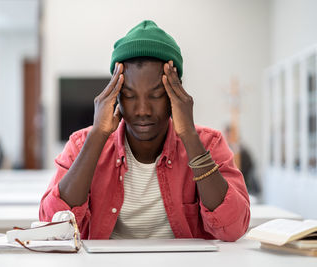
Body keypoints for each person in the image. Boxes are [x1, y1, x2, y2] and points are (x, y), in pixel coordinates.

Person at [40, 20, 250, 241]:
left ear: (175, 94)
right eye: (129, 95)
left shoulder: (209, 144)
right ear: (116, 96)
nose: (142, 111)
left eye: (157, 95)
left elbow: (234, 228)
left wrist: (189, 134)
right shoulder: (82, 144)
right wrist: (98, 136)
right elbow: (53, 227)